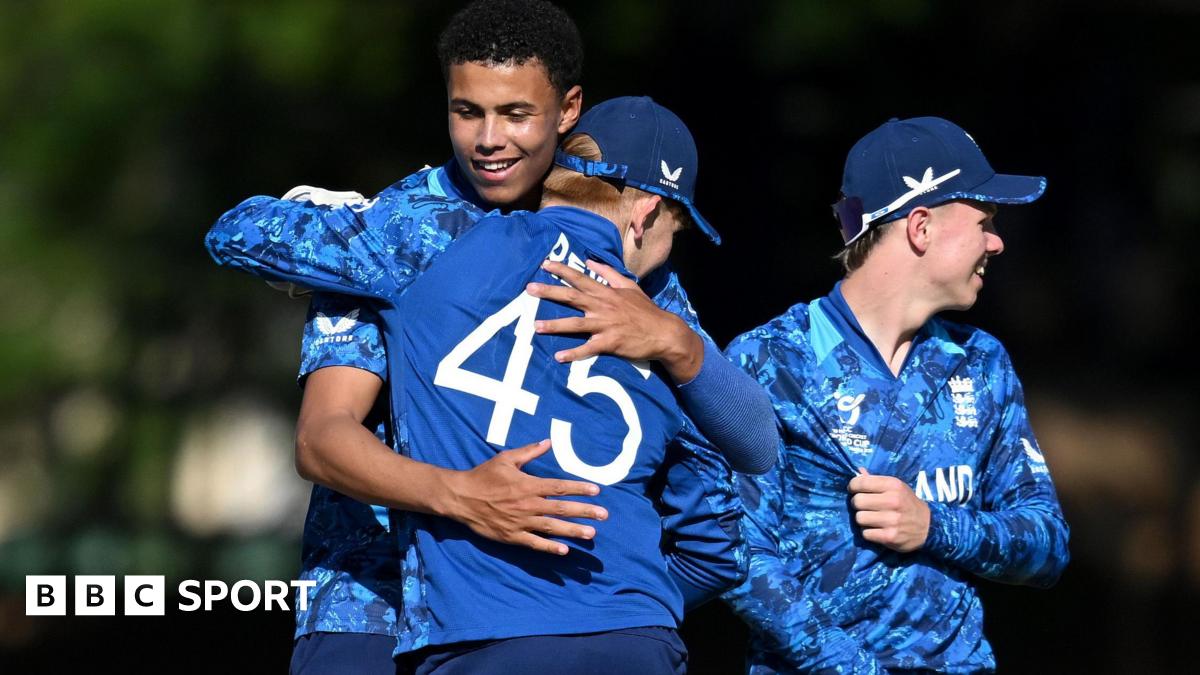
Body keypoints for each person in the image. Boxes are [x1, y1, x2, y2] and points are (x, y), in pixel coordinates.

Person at [210, 1, 776, 671]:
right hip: (366, 595)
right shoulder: (398, 231)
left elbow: (730, 471)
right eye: (467, 111)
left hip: (535, 612)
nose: (488, 140)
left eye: (515, 114)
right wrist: (460, 494)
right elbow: (322, 435)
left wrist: (613, 607)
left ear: (567, 113)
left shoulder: (648, 287)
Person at [722, 116, 1070, 673]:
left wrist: (935, 526)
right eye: (985, 220)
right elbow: (737, 554)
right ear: (921, 227)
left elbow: (1048, 545)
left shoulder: (982, 363)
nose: (997, 241)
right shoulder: (770, 361)